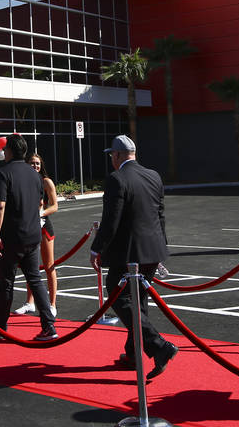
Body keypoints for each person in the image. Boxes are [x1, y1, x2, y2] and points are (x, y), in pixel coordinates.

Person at [90, 134, 177, 379]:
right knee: (139, 302)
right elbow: (159, 215)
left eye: (112, 156)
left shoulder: (117, 179)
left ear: (117, 156)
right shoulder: (154, 176)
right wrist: (161, 246)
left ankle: (159, 346)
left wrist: (97, 248)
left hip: (128, 253)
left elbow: (111, 220)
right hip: (152, 250)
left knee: (120, 297)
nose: (111, 160)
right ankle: (133, 354)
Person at [0, 134, 57, 342]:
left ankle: (0, 327)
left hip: (11, 236)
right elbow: (40, 203)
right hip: (33, 234)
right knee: (35, 279)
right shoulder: (36, 176)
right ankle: (48, 325)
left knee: (6, 281)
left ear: (9, 151)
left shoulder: (2, 174)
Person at [15, 152, 59, 317]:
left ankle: (52, 304)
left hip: (43, 226)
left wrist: (40, 214)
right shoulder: (23, 181)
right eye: (32, 163)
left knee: (49, 265)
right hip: (28, 227)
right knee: (30, 266)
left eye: (38, 164)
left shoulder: (46, 182)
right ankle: (30, 302)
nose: (35, 166)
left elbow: (54, 206)